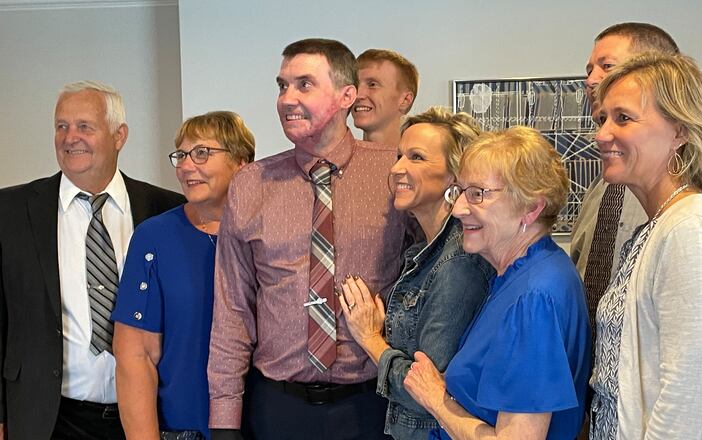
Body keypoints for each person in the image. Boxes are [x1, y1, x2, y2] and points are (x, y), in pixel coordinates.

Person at [570, 22, 702, 438]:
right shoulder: (608, 182)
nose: (592, 79)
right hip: (607, 404)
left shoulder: (699, 212)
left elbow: (686, 396)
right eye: (590, 68)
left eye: (607, 66)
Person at [207, 38, 408, 440]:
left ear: (347, 95)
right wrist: (224, 420)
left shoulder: (394, 173)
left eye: (304, 84)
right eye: (282, 86)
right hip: (277, 410)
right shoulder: (251, 184)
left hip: (374, 406)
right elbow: (232, 309)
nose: (287, 99)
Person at [0, 81, 184, 439]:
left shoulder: (168, 210)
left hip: (147, 417)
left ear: (119, 136)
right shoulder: (10, 210)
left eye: (85, 126)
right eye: (61, 126)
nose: (70, 138)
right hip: (48, 418)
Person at [404, 126, 592, 439]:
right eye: (461, 192)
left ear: (531, 208)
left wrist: (435, 398)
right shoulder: (520, 273)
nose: (460, 208)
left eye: (478, 194)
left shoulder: (534, 297)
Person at [339, 106, 494, 439]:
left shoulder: (457, 263)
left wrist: (369, 338)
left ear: (456, 175)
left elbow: (426, 393)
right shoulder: (426, 250)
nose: (397, 169)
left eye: (417, 157)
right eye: (399, 156)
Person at [112, 111, 255, 439]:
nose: (186, 166)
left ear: (241, 163)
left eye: (202, 153)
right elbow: (135, 356)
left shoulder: (270, 236)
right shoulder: (154, 237)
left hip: (267, 426)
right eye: (181, 155)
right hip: (183, 430)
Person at [352, 49, 419, 148]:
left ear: (405, 100)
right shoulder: (331, 161)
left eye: (372, 84)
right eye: (355, 84)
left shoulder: (422, 162)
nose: (357, 95)